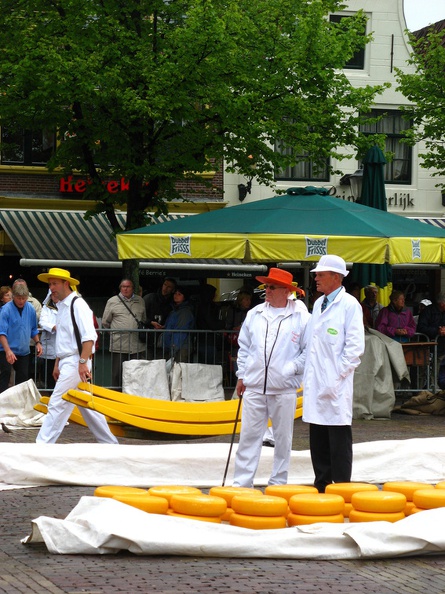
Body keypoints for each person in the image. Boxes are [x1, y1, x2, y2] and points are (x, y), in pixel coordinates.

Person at [232, 267, 310, 488]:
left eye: (272, 287)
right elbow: (244, 347)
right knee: (248, 437)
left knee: (283, 440)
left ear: (286, 291)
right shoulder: (254, 314)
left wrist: (292, 368)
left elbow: (309, 351)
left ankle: (278, 483)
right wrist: (241, 376)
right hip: (255, 386)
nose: (267, 290)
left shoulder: (302, 318)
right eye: (266, 286)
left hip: (284, 388)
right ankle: (241, 484)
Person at [302, 255, 365, 493]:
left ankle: (341, 487)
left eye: (320, 274)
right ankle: (321, 485)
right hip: (316, 380)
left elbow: (354, 347)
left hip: (336, 382)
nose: (316, 278)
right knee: (317, 436)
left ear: (335, 277)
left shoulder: (350, 305)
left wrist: (337, 377)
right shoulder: (319, 304)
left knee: (338, 438)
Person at [36, 268, 118, 444]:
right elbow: (65, 338)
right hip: (71, 360)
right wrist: (58, 362)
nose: (51, 288)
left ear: (66, 284)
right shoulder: (62, 306)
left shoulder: (77, 304)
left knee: (57, 403)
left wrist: (82, 362)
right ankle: (111, 444)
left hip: (75, 361)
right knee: (87, 405)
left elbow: (89, 336)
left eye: (55, 283)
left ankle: (41, 446)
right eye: (50, 284)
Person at [101, 279, 147, 388]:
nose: (125, 289)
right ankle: (117, 396)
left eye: (128, 287)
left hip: (136, 344)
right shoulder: (112, 301)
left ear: (133, 288)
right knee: (118, 374)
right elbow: (105, 322)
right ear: (120, 288)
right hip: (119, 344)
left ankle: (133, 397)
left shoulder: (140, 301)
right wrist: (115, 333)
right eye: (123, 287)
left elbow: (143, 319)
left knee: (136, 373)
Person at [0, 282, 42, 392]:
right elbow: (2, 332)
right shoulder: (5, 309)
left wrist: (38, 342)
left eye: (24, 298)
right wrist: (8, 351)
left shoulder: (31, 309)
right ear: (13, 296)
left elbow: (33, 329)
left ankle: (20, 405)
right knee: (5, 375)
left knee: (23, 379)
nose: (21, 301)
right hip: (5, 350)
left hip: (23, 351)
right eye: (18, 298)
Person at [143, 277, 177, 358]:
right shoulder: (150, 298)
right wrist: (150, 322)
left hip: (164, 340)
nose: (165, 288)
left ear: (173, 290)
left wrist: (166, 326)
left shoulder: (173, 303)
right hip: (148, 339)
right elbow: (140, 316)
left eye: (169, 287)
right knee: (147, 364)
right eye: (165, 285)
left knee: (161, 365)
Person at [161, 286, 195, 362]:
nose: (176, 295)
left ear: (184, 297)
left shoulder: (185, 312)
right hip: (174, 345)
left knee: (178, 369)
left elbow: (181, 330)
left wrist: (174, 346)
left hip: (181, 346)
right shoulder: (174, 311)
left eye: (179, 294)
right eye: (175, 293)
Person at [195, 283, 224, 364]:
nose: (215, 295)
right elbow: (212, 323)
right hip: (208, 341)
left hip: (202, 340)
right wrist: (223, 324)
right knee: (210, 365)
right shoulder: (207, 307)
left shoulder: (200, 305)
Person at [38, 290, 59, 389]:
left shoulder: (66, 307)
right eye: (52, 294)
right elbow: (43, 321)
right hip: (50, 344)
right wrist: (53, 327)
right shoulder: (46, 307)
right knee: (50, 375)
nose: (54, 296)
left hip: (63, 346)